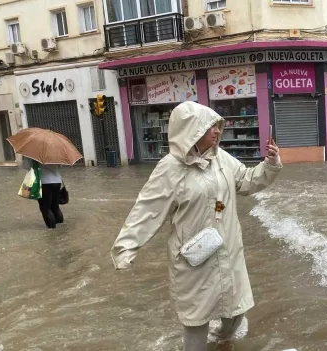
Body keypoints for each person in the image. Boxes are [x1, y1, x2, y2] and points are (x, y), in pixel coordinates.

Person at [110, 102, 282, 351]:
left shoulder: (220, 158)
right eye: (210, 126)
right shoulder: (170, 168)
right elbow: (147, 210)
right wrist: (126, 247)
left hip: (228, 250)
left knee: (235, 312)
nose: (216, 131)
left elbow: (245, 181)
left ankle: (223, 345)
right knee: (197, 322)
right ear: (192, 130)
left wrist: (270, 164)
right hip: (195, 259)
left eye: (217, 126)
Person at [22, 156, 63, 228]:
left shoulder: (33, 153)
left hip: (44, 182)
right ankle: (61, 229)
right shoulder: (55, 152)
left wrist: (25, 158)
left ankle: (52, 232)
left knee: (45, 208)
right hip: (57, 181)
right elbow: (59, 166)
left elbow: (27, 167)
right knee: (55, 206)